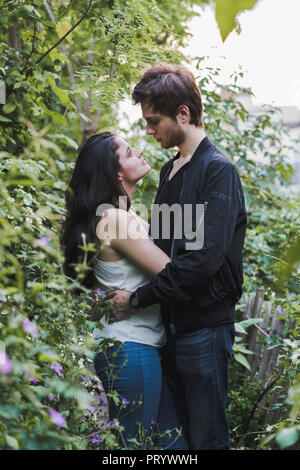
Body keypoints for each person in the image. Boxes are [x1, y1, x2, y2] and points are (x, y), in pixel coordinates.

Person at [106, 63, 248, 450]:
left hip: (204, 329)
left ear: (183, 114)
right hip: (168, 331)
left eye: (154, 121)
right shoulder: (170, 171)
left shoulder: (218, 172)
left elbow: (202, 262)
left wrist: (137, 300)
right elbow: (160, 248)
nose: (149, 131)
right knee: (176, 440)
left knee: (206, 439)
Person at [60, 132, 187, 450]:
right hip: (131, 349)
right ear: (116, 171)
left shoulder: (122, 215)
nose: (140, 151)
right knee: (133, 449)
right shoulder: (114, 218)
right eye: (130, 152)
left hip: (136, 348)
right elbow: (173, 273)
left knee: (175, 446)